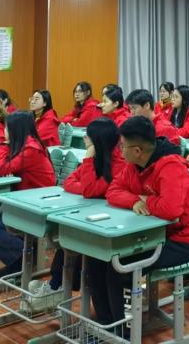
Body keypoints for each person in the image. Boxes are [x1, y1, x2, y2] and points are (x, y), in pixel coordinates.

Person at [99, 117, 189, 328]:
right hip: (152, 236)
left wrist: (146, 200)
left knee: (120, 268)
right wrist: (134, 200)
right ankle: (107, 323)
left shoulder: (171, 166)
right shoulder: (134, 166)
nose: (119, 151)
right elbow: (113, 191)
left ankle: (124, 331)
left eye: (122, 146)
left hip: (181, 241)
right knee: (99, 259)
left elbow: (171, 210)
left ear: (137, 150)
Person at [31, 117, 125, 298]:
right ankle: (57, 286)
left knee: (73, 240)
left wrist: (88, 161)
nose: (84, 138)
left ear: (98, 141)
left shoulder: (118, 165)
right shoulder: (97, 159)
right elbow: (69, 182)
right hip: (90, 214)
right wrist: (85, 187)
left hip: (109, 222)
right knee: (68, 238)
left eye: (88, 136)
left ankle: (56, 287)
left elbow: (89, 190)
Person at [0, 111, 55, 274]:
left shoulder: (31, 149)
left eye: (6, 127)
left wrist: (5, 145)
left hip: (36, 202)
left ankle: (21, 259)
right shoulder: (20, 144)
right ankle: (17, 256)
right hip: (21, 198)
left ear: (16, 129)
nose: (4, 131)